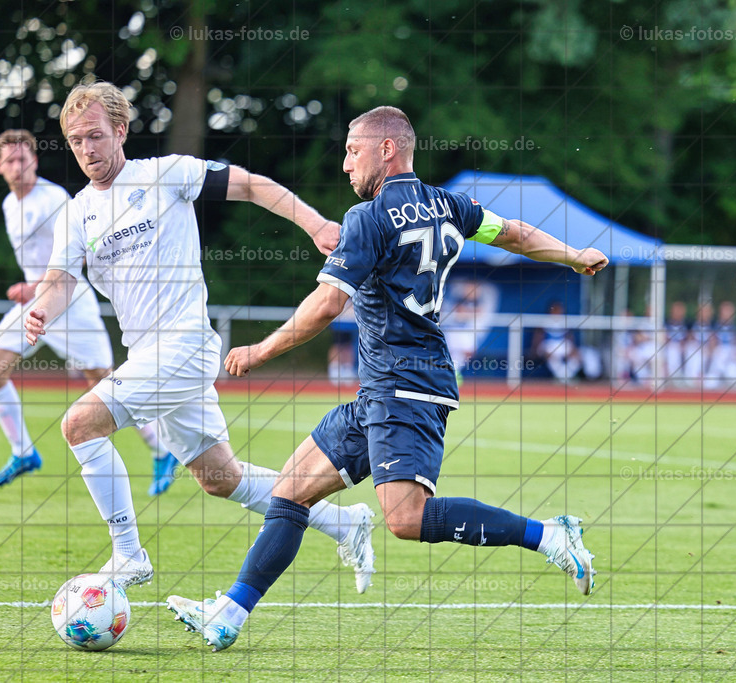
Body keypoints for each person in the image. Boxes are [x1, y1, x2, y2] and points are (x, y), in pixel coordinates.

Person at [165, 106, 607, 651]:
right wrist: (573, 256)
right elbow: (511, 232)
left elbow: (327, 305)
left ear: (387, 149)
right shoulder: (449, 205)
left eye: (353, 150)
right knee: (292, 488)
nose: (346, 163)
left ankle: (549, 535)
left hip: (405, 386)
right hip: (387, 387)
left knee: (404, 518)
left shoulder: (368, 217)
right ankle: (229, 614)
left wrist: (262, 349)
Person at [24, 82, 376, 592]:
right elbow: (59, 281)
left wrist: (316, 222)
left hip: (185, 344)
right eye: (76, 140)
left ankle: (129, 555)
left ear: (120, 131)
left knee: (80, 424)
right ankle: (344, 522)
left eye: (96, 136)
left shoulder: (167, 175)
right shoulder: (77, 213)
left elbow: (252, 185)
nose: (87, 149)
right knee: (219, 478)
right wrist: (41, 307)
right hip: (148, 354)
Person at [0, 129, 178, 495]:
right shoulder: (10, 205)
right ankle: (23, 453)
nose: (17, 166)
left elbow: (81, 253)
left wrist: (34, 284)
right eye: (9, 160)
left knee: (106, 383)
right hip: (34, 304)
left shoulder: (53, 197)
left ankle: (162, 450)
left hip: (70, 301)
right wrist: (32, 289)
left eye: (22, 158)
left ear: (34, 161)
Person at [530, 299, 602, 382]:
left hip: (562, 345)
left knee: (576, 355)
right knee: (551, 355)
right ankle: (562, 377)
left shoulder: (565, 322)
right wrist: (535, 350)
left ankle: (566, 376)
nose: (558, 312)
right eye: (555, 310)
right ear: (551, 310)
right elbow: (537, 339)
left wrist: (572, 350)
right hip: (547, 346)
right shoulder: (544, 322)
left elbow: (569, 338)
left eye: (559, 310)